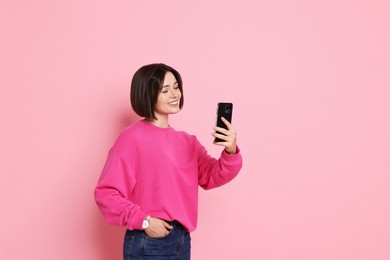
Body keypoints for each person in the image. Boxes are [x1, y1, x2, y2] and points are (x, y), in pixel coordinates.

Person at [94, 63, 243, 260]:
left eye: (176, 87)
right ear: (147, 94)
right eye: (165, 90)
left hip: (182, 240)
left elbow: (212, 176)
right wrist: (145, 222)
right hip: (149, 242)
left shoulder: (187, 141)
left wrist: (230, 150)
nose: (175, 94)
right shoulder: (132, 138)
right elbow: (106, 194)